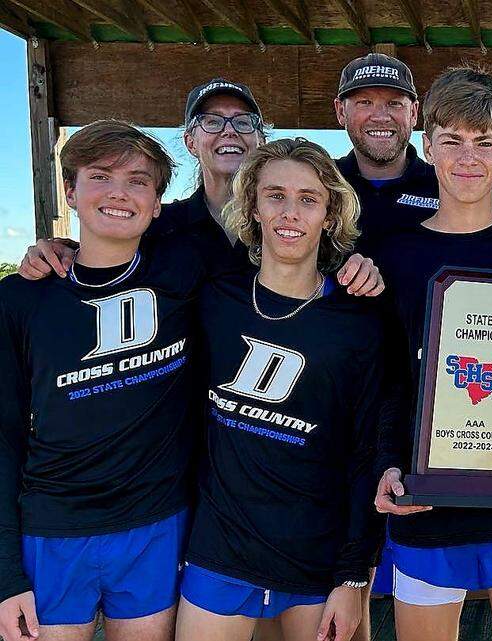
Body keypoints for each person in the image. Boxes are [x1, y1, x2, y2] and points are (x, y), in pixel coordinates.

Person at [174, 137, 402, 641]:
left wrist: (351, 575)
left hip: (317, 562)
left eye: (307, 198)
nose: (290, 212)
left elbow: (366, 453)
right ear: (252, 205)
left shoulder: (356, 322)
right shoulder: (214, 298)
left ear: (329, 212)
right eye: (275, 195)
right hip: (220, 553)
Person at [372, 65, 492, 641]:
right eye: (451, 140)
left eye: (484, 141)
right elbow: (386, 380)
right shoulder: (393, 257)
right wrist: (384, 462)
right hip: (424, 501)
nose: (467, 156)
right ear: (426, 146)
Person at [0, 120, 194, 641]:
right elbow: (3, 434)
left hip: (154, 523)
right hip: (53, 527)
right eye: (100, 175)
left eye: (137, 181)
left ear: (157, 203)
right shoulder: (21, 298)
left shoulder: (184, 275)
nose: (118, 193)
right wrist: (5, 575)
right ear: (70, 189)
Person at [19, 78, 383, 296]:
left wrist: (362, 269)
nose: (228, 131)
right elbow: (102, 257)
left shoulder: (296, 227)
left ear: (260, 139)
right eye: (211, 121)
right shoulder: (157, 226)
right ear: (191, 141)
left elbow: (342, 273)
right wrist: (60, 251)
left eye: (243, 122)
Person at [334, 52, 441, 257]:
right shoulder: (321, 182)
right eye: (364, 102)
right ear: (341, 111)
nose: (381, 117)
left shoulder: (445, 187)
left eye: (394, 103)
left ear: (413, 113)